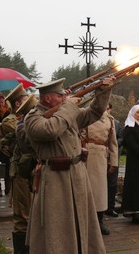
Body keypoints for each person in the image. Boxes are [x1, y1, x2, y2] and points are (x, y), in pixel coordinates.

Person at [25, 77, 115, 254]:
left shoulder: (65, 112)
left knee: (81, 220)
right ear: (48, 98)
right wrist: (68, 107)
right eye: (60, 95)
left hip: (77, 173)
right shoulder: (33, 117)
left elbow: (95, 113)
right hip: (54, 177)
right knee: (57, 225)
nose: (64, 98)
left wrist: (103, 91)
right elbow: (50, 130)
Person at [81, 105, 118, 235]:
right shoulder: (85, 116)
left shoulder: (109, 120)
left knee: (100, 191)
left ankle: (99, 220)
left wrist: (113, 161)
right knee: (85, 190)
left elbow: (113, 143)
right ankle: (85, 222)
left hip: (102, 156)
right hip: (86, 155)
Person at [11, 94, 38, 253]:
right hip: (21, 173)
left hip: (29, 172)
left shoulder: (27, 124)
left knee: (29, 215)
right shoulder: (23, 126)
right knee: (22, 217)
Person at [0, 84, 28, 197]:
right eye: (26, 100)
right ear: (17, 104)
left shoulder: (26, 117)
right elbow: (26, 133)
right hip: (20, 164)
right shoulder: (8, 121)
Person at [105, 103, 122, 218]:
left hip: (112, 157)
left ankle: (110, 207)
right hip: (99, 156)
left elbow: (121, 137)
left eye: (108, 109)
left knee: (112, 184)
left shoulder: (116, 123)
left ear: (110, 109)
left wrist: (114, 144)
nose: (106, 111)